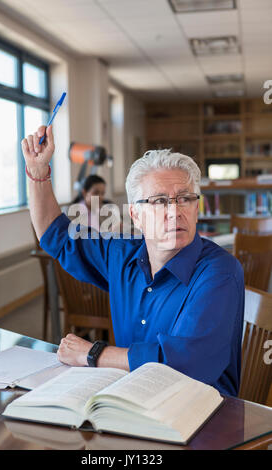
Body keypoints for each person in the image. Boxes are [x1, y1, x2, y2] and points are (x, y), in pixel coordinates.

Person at [22, 125, 244, 397]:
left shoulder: (220, 271)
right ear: (136, 215)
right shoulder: (121, 254)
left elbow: (188, 365)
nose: (174, 212)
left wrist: (94, 354)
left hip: (203, 415)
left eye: (184, 199)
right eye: (159, 201)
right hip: (134, 400)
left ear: (196, 207)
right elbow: (56, 236)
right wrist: (37, 174)